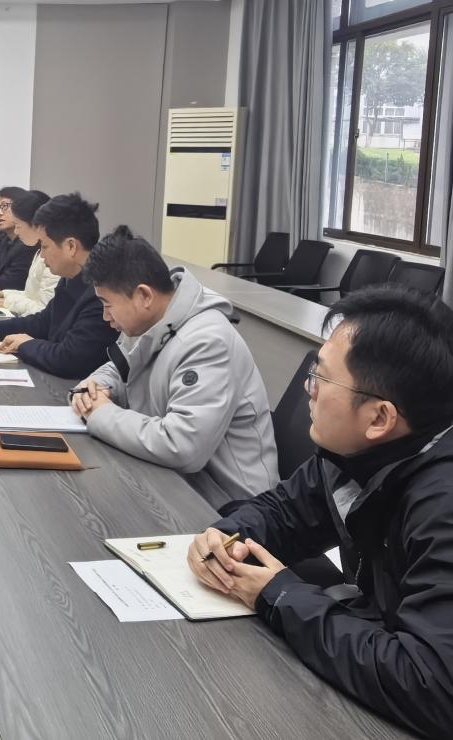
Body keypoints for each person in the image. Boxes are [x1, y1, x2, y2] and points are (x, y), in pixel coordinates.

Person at [186, 286, 453, 738]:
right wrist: (227, 537)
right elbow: (283, 512)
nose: (308, 390)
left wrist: (280, 596)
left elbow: (432, 686)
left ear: (379, 418)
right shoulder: (356, 453)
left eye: (322, 378)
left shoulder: (442, 503)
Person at [69, 226, 278, 507]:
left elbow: (183, 446)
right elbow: (120, 366)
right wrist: (94, 387)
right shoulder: (151, 320)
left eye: (108, 305)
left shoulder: (208, 342)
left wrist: (101, 413)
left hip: (229, 506)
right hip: (176, 482)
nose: (106, 316)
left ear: (144, 296)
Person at [0, 192, 115, 379]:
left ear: (71, 246)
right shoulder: (71, 278)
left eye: (45, 246)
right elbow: (44, 321)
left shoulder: (101, 292)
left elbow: (70, 359)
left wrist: (26, 344)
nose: (41, 255)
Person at [0, 189, 59, 316]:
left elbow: (44, 310)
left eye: (18, 226)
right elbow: (31, 295)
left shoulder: (53, 259)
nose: (16, 232)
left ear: (35, 224)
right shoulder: (39, 252)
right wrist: (4, 294)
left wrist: (8, 301)